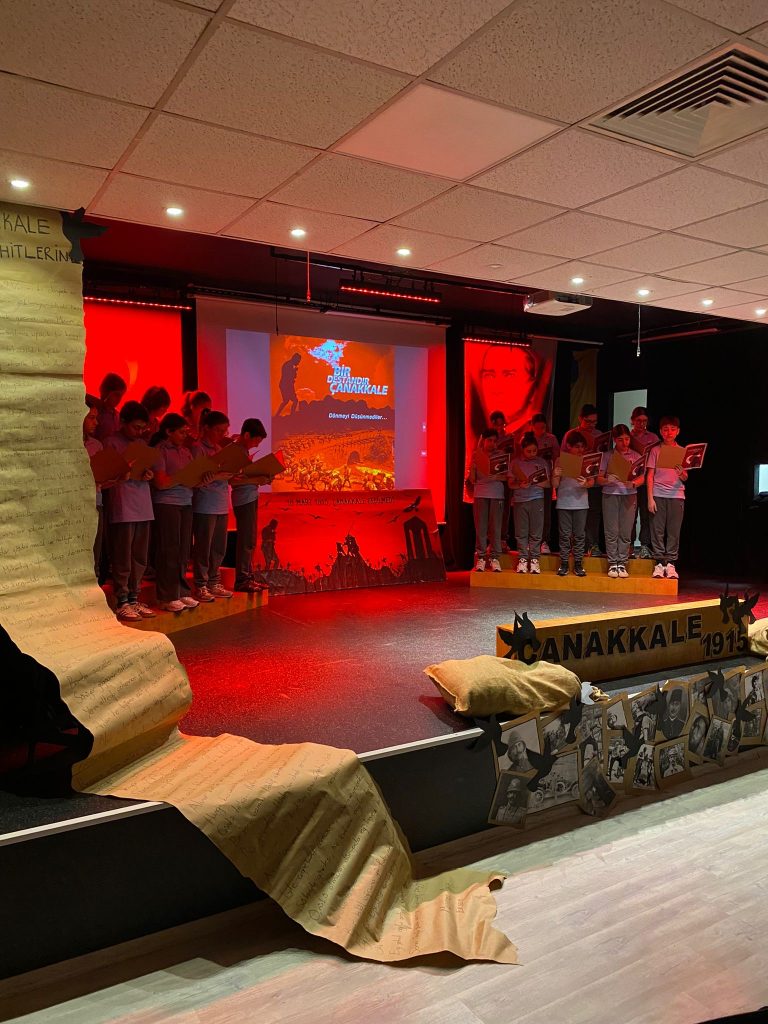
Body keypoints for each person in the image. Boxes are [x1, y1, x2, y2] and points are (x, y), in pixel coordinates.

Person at [103, 401, 156, 621]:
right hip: (123, 504)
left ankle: (134, 597)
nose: (139, 432)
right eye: (136, 427)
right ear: (123, 422)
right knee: (123, 555)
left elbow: (147, 467)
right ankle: (122, 600)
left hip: (143, 503)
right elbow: (106, 474)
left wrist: (148, 474)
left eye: (143, 428)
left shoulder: (142, 443)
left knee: (140, 556)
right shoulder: (111, 442)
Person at [150, 413, 203, 613]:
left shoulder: (186, 451)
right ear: (168, 432)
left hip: (186, 501)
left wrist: (201, 477)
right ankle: (166, 595)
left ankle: (181, 591)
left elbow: (192, 477)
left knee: (183, 550)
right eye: (181, 432)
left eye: (186, 432)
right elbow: (161, 482)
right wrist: (182, 477)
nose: (185, 435)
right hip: (167, 503)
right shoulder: (160, 451)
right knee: (169, 550)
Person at [191, 410, 234, 602]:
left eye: (225, 431)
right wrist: (216, 475)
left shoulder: (219, 449)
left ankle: (214, 581)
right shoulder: (197, 448)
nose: (222, 434)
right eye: (218, 430)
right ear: (206, 428)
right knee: (204, 546)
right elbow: (195, 478)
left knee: (218, 547)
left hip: (221, 503)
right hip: (204, 504)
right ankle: (201, 584)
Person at [597, 424, 644, 579]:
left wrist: (634, 483)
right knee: (611, 530)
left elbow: (642, 476)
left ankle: (622, 562)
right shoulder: (608, 456)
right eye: (620, 440)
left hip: (629, 494)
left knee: (625, 530)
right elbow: (599, 478)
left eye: (627, 439)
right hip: (610, 494)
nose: (624, 443)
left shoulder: (635, 455)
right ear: (615, 440)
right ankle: (613, 562)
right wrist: (607, 479)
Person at [229, 418, 269, 593]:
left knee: (250, 539)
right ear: (246, 435)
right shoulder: (235, 451)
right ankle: (243, 579)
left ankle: (248, 577)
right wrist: (257, 479)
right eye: (256, 441)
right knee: (246, 539)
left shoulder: (243, 451)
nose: (257, 445)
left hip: (250, 497)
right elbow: (233, 480)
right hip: (243, 499)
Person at [646, 415, 688, 580]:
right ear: (660, 431)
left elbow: (685, 477)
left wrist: (681, 472)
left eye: (672, 429)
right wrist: (650, 498)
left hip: (677, 495)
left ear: (678, 431)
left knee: (673, 531)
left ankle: (670, 564)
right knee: (657, 530)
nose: (669, 432)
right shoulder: (655, 450)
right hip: (658, 494)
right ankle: (659, 563)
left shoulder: (682, 451)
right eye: (665, 429)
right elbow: (650, 475)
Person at [552, 430, 593, 577]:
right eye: (577, 446)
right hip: (564, 502)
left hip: (581, 503)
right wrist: (555, 475)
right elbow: (555, 484)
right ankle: (564, 563)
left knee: (579, 535)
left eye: (582, 446)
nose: (580, 450)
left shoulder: (587, 460)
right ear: (569, 446)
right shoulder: (560, 460)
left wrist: (585, 483)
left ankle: (578, 563)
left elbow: (591, 481)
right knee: (564, 535)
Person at [508, 431, 549, 574]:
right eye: (528, 451)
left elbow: (547, 483)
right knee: (521, 531)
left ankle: (535, 560)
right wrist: (520, 484)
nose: (532, 454)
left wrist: (536, 481)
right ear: (522, 450)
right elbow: (510, 484)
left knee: (536, 531)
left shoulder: (541, 462)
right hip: (520, 499)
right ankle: (523, 559)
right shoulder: (515, 462)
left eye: (534, 451)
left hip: (537, 498)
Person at [567, 404, 605, 557]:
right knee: (575, 514)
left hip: (593, 480)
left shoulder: (598, 434)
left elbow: (604, 456)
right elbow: (564, 457)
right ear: (580, 419)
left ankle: (593, 544)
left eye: (594, 422)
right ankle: (577, 546)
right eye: (588, 421)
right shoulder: (571, 434)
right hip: (575, 482)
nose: (591, 425)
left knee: (593, 514)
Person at [467, 429, 504, 573]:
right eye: (489, 440)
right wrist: (472, 467)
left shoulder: (500, 454)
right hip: (480, 493)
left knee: (495, 527)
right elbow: (472, 480)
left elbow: (507, 477)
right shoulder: (476, 454)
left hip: (496, 493)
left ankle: (495, 558)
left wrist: (496, 477)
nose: (492, 443)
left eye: (495, 441)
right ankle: (481, 557)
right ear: (483, 440)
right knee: (481, 527)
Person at [629, 406, 659, 558]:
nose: (642, 424)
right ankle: (629, 545)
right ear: (632, 420)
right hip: (632, 481)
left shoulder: (653, 437)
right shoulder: (627, 436)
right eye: (639, 421)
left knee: (646, 515)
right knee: (631, 516)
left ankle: (645, 545)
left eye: (645, 421)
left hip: (647, 481)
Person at [531, 413, 560, 554]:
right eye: (537, 428)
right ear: (532, 427)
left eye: (543, 428)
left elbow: (557, 458)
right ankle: (532, 540)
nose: (540, 431)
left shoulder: (551, 439)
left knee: (546, 511)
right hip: (531, 480)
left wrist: (555, 475)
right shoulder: (527, 439)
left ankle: (544, 541)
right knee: (531, 511)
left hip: (546, 479)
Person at [94, 372, 127, 441]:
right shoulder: (95, 413)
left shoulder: (118, 416)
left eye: (121, 396)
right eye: (116, 395)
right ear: (106, 391)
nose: (119, 399)